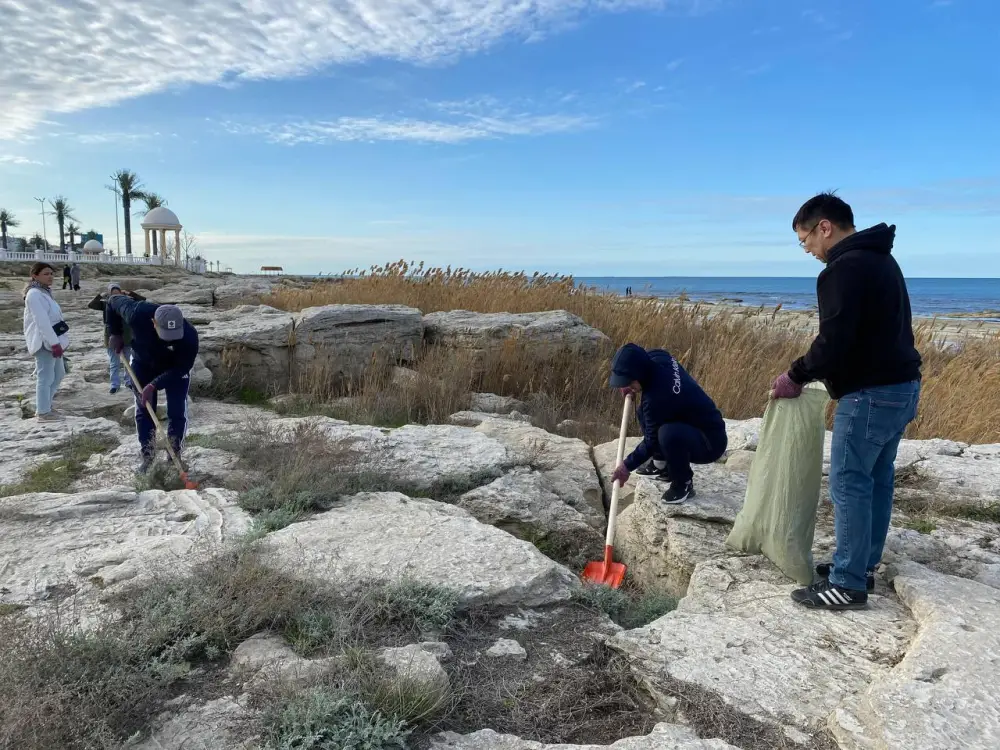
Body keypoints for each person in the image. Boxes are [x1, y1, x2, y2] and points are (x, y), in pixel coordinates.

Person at [772, 193, 921, 611]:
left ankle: (848, 584)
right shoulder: (882, 259)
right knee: (876, 479)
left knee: (849, 481)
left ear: (825, 227)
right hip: (903, 386)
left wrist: (795, 375)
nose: (807, 250)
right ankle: (862, 565)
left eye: (805, 240)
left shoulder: (843, 268)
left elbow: (833, 342)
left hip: (870, 393)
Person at [609, 343, 728, 504]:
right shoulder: (658, 358)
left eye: (630, 382)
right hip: (693, 424)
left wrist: (626, 466)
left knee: (668, 434)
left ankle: (683, 483)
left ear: (640, 374)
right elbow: (647, 360)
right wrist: (629, 384)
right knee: (643, 412)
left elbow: (651, 441)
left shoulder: (657, 398)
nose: (628, 386)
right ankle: (661, 463)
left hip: (710, 441)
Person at [105, 297, 199, 474]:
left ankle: (174, 455)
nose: (169, 340)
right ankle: (148, 456)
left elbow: (182, 368)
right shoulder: (136, 312)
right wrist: (115, 333)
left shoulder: (190, 337)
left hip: (175, 369)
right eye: (165, 334)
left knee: (177, 411)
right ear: (153, 322)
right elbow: (111, 301)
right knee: (144, 409)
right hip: (143, 364)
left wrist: (154, 385)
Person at [22, 262, 69, 421]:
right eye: (46, 274)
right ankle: (43, 412)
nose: (50, 277)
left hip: (54, 339)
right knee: (45, 377)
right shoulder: (34, 294)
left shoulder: (45, 292)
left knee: (59, 374)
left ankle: (46, 405)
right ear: (34, 276)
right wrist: (54, 343)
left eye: (51, 273)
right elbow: (42, 321)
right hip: (43, 342)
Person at [88, 282, 145, 394]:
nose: (115, 295)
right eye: (112, 292)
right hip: (111, 337)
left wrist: (130, 293)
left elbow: (142, 301)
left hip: (127, 337)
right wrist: (100, 295)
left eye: (117, 292)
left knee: (128, 361)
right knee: (114, 363)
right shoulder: (105, 304)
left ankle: (128, 382)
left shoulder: (127, 302)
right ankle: (114, 385)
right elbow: (91, 305)